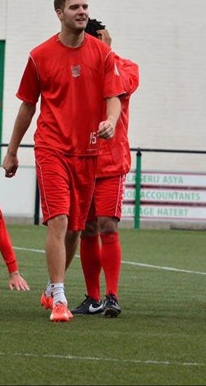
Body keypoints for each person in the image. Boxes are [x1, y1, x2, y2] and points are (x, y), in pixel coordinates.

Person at [2, 0, 124, 322]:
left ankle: (51, 287)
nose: (82, 11)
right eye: (74, 7)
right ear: (59, 13)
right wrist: (12, 152)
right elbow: (28, 106)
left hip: (88, 152)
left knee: (75, 229)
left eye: (85, 6)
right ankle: (59, 297)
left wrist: (111, 121)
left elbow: (114, 97)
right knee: (59, 219)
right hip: (51, 147)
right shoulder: (40, 55)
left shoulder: (102, 53)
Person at [72, 18, 139, 318]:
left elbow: (122, 87)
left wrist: (106, 53)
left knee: (107, 225)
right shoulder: (77, 67)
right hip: (82, 159)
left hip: (111, 161)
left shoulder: (126, 66)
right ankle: (93, 297)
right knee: (86, 228)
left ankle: (112, 295)